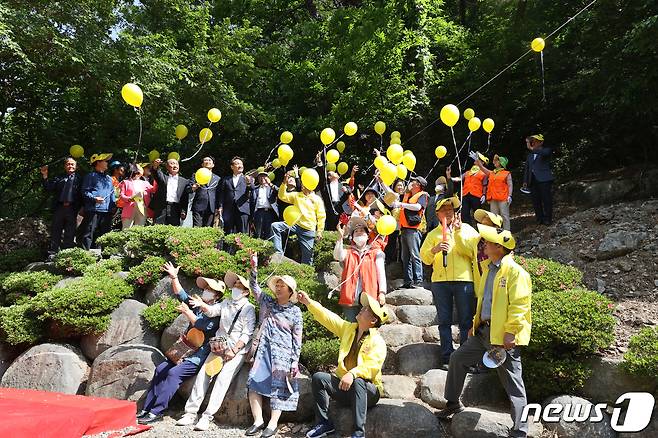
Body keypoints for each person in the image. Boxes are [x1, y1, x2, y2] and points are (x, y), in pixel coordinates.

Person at [437, 225, 531, 438]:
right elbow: (484, 301)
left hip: (503, 337)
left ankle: (521, 430)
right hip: (482, 332)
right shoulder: (488, 268)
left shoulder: (516, 272)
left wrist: (511, 332)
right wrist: (474, 323)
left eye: (488, 242)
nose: (484, 245)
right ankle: (452, 403)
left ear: (499, 247)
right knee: (458, 358)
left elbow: (520, 305)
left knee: (514, 384)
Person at [138, 262, 224, 424]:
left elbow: (200, 325)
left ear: (217, 296)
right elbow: (181, 295)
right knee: (161, 369)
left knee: (173, 374)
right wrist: (174, 277)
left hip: (197, 356)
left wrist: (187, 311)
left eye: (210, 290)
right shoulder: (199, 304)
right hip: (183, 349)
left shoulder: (217, 313)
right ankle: (146, 408)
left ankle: (157, 411)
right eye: (205, 288)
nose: (206, 291)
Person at [298, 291, 388, 438]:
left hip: (368, 391)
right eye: (364, 307)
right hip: (346, 389)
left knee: (359, 381)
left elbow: (372, 367)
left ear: (372, 320)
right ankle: (324, 423)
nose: (362, 308)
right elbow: (329, 318)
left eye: (366, 309)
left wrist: (352, 374)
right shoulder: (349, 329)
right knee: (319, 377)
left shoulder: (377, 341)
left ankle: (359, 433)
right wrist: (309, 303)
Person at [177, 271, 256, 431]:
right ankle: (190, 413)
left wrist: (234, 350)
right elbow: (213, 311)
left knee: (222, 380)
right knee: (204, 375)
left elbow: (247, 333)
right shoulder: (226, 302)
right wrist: (202, 305)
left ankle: (207, 416)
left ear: (246, 292)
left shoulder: (248, 308)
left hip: (236, 350)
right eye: (234, 285)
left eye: (239, 286)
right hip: (219, 345)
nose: (235, 288)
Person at [245, 252, 303, 438]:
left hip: (283, 354)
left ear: (290, 291)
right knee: (254, 384)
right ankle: (258, 421)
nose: (278, 288)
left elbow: (297, 339)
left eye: (282, 286)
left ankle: (272, 424)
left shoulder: (295, 312)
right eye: (276, 285)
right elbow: (253, 287)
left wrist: (294, 361)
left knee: (279, 388)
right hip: (263, 350)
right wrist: (253, 267)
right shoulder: (267, 302)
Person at [419, 196, 480, 367]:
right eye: (444, 210)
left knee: (466, 320)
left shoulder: (467, 229)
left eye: (450, 209)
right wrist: (435, 249)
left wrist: (459, 233)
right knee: (444, 321)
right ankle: (447, 357)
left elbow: (475, 251)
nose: (448, 212)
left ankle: (465, 357)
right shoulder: (433, 234)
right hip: (440, 282)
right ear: (438, 214)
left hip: (464, 279)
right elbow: (424, 258)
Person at [334, 217, 387, 322]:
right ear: (352, 237)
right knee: (351, 329)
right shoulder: (347, 252)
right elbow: (337, 256)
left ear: (368, 236)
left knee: (367, 329)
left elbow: (381, 273)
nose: (359, 233)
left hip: (369, 298)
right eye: (356, 232)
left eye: (362, 231)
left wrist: (382, 293)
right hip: (350, 299)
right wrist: (340, 238)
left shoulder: (376, 253)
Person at [272, 169, 326, 265]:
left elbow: (321, 216)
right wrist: (284, 183)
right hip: (295, 224)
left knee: (308, 259)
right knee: (275, 226)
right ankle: (278, 253)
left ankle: (306, 277)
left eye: (303, 183)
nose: (302, 185)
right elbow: (282, 196)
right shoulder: (297, 195)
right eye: (302, 183)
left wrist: (320, 231)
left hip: (308, 229)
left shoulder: (317, 199)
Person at [391, 176, 429, 288]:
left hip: (413, 229)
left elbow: (418, 207)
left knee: (415, 255)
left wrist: (401, 205)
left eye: (414, 181)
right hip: (404, 228)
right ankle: (408, 281)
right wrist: (381, 182)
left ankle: (418, 281)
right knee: (405, 257)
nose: (411, 182)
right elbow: (391, 193)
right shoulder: (407, 195)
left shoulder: (422, 195)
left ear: (418, 185)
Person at [40, 158, 83, 254]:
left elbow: (82, 194)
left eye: (72, 164)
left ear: (76, 167)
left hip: (72, 208)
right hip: (59, 207)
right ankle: (53, 252)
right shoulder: (59, 177)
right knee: (56, 230)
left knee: (70, 231)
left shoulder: (80, 179)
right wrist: (45, 175)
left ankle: (67, 253)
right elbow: (49, 187)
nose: (70, 166)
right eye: (68, 164)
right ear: (65, 166)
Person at [79, 153, 115, 250]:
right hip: (93, 209)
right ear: (98, 162)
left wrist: (113, 206)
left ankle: (105, 258)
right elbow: (84, 191)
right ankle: (85, 256)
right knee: (88, 233)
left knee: (105, 235)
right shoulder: (90, 176)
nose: (107, 163)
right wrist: (95, 198)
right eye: (105, 161)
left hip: (107, 211)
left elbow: (112, 194)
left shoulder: (109, 178)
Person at [523, 134, 554, 225]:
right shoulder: (530, 155)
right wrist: (525, 181)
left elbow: (545, 153)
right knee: (536, 201)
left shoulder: (546, 150)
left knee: (546, 200)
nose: (534, 142)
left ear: (541, 142)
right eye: (533, 141)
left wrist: (532, 149)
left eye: (536, 141)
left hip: (544, 179)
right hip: (532, 180)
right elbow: (527, 168)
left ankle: (548, 219)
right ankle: (539, 219)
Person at [475, 154, 512, 230]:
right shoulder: (492, 173)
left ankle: (507, 232)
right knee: (494, 216)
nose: (494, 162)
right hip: (493, 198)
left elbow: (510, 185)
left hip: (503, 198)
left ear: (501, 163)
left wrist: (510, 195)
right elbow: (482, 168)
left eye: (497, 160)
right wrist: (477, 160)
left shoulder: (506, 173)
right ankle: (496, 232)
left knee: (504, 215)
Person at [217, 156, 253, 234]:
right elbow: (222, 194)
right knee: (227, 232)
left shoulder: (248, 178)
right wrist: (220, 206)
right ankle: (227, 247)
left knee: (242, 233)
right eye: (237, 164)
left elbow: (252, 190)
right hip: (228, 209)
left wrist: (249, 183)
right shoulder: (226, 179)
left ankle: (241, 247)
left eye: (241, 164)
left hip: (242, 208)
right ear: (232, 167)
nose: (240, 165)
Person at [448, 159, 489, 226]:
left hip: (476, 196)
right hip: (466, 195)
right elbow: (459, 178)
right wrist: (449, 176)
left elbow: (485, 184)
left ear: (483, 162)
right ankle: (468, 229)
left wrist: (484, 194)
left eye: (479, 160)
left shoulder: (484, 173)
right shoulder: (468, 172)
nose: (476, 160)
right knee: (464, 213)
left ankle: (480, 231)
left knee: (477, 214)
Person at [150, 158, 189, 226]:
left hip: (175, 208)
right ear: (167, 167)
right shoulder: (163, 178)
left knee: (173, 230)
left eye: (176, 164)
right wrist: (155, 166)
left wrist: (184, 211)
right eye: (172, 163)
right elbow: (156, 173)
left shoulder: (184, 181)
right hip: (162, 207)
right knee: (158, 228)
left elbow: (184, 198)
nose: (175, 166)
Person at [119, 164, 156, 229]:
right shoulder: (125, 182)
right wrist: (129, 199)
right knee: (126, 229)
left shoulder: (145, 183)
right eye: (140, 167)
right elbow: (122, 195)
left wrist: (157, 178)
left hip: (142, 208)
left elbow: (154, 190)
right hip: (130, 207)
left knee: (139, 229)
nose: (142, 169)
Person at [189, 156, 221, 227]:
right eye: (205, 160)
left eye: (209, 160)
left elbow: (219, 194)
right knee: (197, 229)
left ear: (213, 165)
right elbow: (188, 189)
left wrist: (219, 207)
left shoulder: (217, 178)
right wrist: (193, 188)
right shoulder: (196, 175)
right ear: (202, 165)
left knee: (208, 229)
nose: (207, 162)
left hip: (211, 207)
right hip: (198, 206)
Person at [250, 170, 279, 239]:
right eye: (260, 177)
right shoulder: (255, 189)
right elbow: (252, 203)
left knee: (269, 233)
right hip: (258, 212)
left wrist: (270, 184)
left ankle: (269, 248)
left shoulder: (271, 188)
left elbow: (278, 191)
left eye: (264, 176)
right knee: (258, 233)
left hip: (270, 212)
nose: (262, 178)